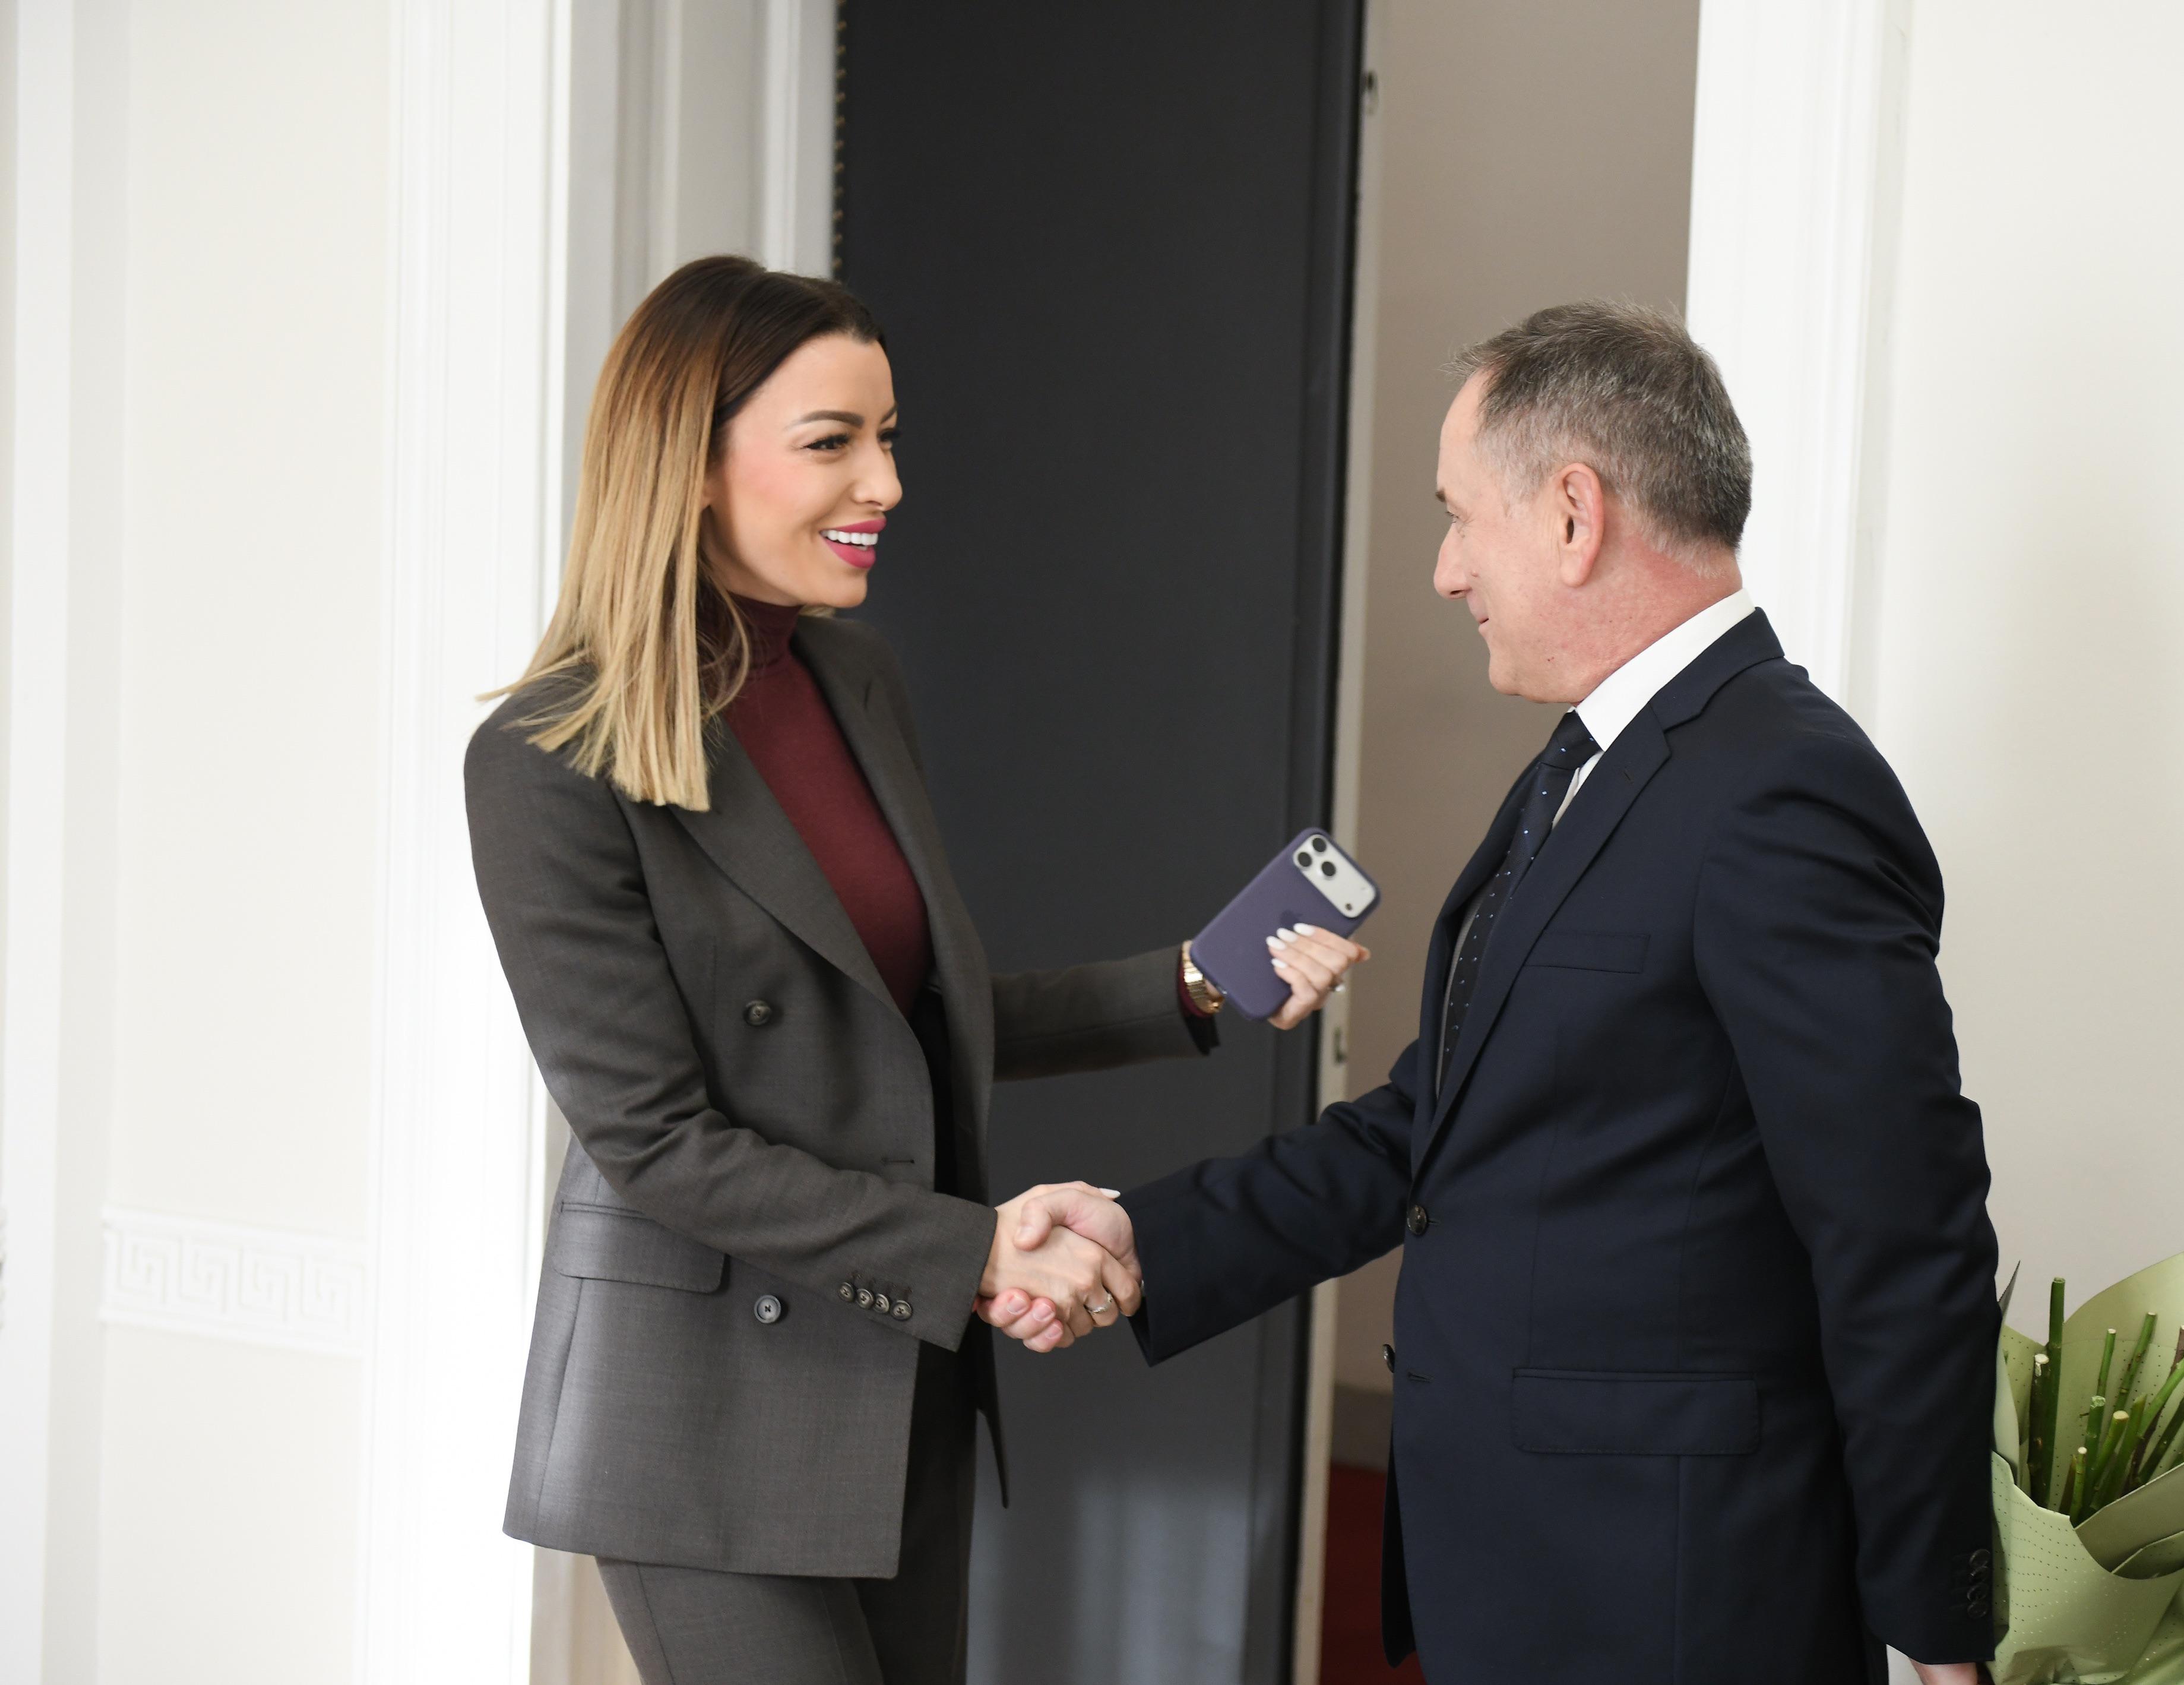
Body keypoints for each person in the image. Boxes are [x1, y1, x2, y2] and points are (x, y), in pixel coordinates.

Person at [993, 303, 2000, 1683]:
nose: (1444, 569)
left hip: (1675, 1605)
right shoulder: (1591, 765)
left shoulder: (1782, 788)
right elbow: (1438, 1129)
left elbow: (1900, 1231)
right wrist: (1141, 1234)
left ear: (1574, 515)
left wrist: (1938, 1634)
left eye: (1460, 518)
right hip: (1532, 1580)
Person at [464, 254, 1363, 1685]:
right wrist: (975, 1250)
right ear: (688, 462)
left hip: (894, 1377)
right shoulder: (545, 760)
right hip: (701, 1411)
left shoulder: (853, 680)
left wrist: (1192, 983)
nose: (883, 484)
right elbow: (654, 1140)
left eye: (887, 439)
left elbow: (895, 1024)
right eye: (833, 441)